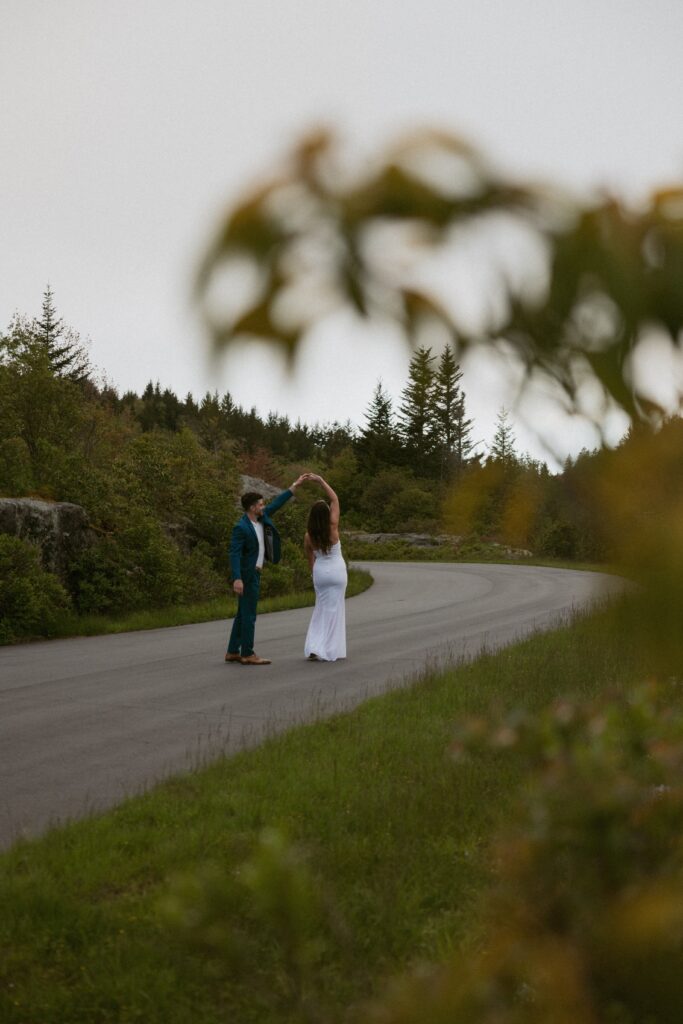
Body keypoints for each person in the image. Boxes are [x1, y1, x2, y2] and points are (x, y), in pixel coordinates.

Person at [226, 475, 307, 665]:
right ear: (253, 507)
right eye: (261, 504)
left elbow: (277, 503)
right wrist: (237, 578)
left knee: (242, 613)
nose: (264, 506)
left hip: (255, 572)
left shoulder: (261, 519)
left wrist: (294, 486)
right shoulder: (241, 527)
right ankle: (247, 653)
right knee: (249, 615)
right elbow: (234, 554)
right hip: (248, 574)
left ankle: (232, 651)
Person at [303, 474, 347, 662]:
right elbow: (335, 498)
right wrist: (321, 481)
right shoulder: (333, 528)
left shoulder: (308, 536)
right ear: (327, 514)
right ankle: (329, 648)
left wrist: (314, 575)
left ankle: (315, 646)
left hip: (320, 572)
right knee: (334, 610)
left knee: (320, 608)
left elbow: (310, 559)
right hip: (337, 571)